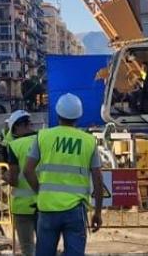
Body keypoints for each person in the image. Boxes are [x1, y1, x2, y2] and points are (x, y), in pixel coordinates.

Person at [25, 94, 103, 256]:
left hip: (47, 208)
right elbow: (98, 178)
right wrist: (98, 212)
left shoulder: (43, 136)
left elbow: (27, 170)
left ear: (58, 113)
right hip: (75, 209)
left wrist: (40, 190)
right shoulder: (88, 141)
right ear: (78, 116)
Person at [0, 110, 38, 256]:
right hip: (45, 202)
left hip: (23, 206)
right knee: (46, 245)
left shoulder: (15, 146)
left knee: (27, 247)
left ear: (16, 127)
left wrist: (5, 177)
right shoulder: (44, 140)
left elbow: (14, 180)